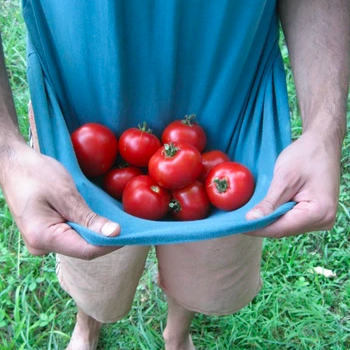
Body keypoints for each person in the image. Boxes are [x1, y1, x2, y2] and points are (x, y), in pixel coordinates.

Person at [0, 0, 349, 349]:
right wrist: (8, 152)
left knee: (203, 268)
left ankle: (177, 333)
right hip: (76, 121)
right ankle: (88, 323)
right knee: (94, 267)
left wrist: (323, 131)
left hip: (234, 121)